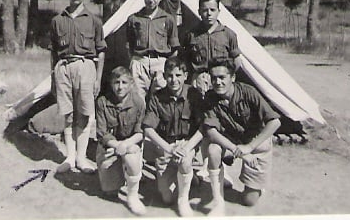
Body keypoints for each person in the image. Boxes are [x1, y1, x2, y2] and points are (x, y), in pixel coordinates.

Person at [201, 59, 281, 216]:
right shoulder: (210, 97)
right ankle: (219, 202)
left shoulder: (248, 92)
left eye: (222, 77)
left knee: (249, 201)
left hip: (256, 142)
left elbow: (275, 122)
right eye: (214, 78)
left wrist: (250, 147)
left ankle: (255, 187)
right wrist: (240, 152)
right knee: (212, 149)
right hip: (232, 141)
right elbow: (211, 132)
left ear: (233, 78)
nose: (218, 82)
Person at [50, 0, 107, 174]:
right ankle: (70, 157)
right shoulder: (58, 20)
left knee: (83, 113)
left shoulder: (94, 21)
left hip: (85, 67)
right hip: (64, 67)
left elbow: (101, 50)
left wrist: (98, 78)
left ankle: (82, 158)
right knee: (67, 114)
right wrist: (52, 78)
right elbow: (53, 51)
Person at [142, 56, 203, 217]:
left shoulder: (193, 95)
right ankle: (182, 176)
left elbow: (204, 127)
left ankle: (183, 199)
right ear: (164, 76)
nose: (173, 80)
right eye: (169, 75)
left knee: (185, 161)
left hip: (186, 144)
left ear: (185, 75)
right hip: (165, 146)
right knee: (167, 198)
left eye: (178, 75)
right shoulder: (157, 96)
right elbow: (148, 128)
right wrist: (168, 148)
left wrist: (187, 147)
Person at [95, 66, 147, 215]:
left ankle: (132, 196)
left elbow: (140, 132)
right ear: (111, 84)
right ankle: (121, 175)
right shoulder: (102, 102)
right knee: (109, 191)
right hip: (110, 148)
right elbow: (102, 133)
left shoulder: (138, 102)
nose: (120, 87)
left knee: (131, 157)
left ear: (131, 84)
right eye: (116, 82)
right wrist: (117, 145)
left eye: (124, 82)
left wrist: (124, 145)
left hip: (130, 145)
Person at [126, 0, 180, 102]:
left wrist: (167, 67)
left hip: (160, 63)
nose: (151, 0)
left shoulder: (168, 19)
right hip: (140, 62)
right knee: (138, 100)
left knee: (161, 100)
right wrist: (135, 61)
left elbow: (174, 47)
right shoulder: (133, 19)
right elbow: (129, 45)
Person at [183, 0, 241, 96]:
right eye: (205, 10)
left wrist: (226, 76)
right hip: (199, 80)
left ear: (218, 12)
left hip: (220, 80)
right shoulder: (191, 35)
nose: (209, 13)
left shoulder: (228, 34)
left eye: (212, 10)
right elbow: (186, 61)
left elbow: (236, 62)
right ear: (199, 12)